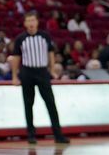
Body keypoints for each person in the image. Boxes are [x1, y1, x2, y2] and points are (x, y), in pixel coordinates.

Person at [10, 12, 70, 145]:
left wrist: (52, 70)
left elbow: (51, 53)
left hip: (42, 72)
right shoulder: (20, 38)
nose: (31, 23)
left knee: (51, 103)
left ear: (37, 22)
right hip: (27, 72)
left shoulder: (45, 36)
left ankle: (58, 135)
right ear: (25, 23)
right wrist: (14, 76)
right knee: (28, 104)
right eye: (28, 21)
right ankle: (31, 135)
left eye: (33, 20)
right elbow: (16, 58)